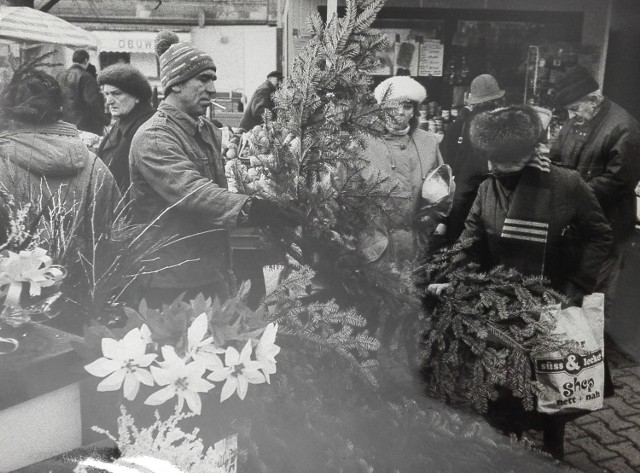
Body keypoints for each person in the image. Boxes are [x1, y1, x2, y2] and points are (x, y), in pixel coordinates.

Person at [432, 105, 613, 459]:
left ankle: (552, 445)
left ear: (526, 153)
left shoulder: (567, 184)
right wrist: (458, 279)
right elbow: (470, 242)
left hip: (553, 302)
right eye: (490, 160)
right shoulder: (488, 189)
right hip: (502, 306)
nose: (492, 168)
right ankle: (507, 448)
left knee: (553, 383)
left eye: (500, 162)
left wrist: (577, 284)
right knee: (505, 391)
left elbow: (600, 236)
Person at [129, 31, 299, 307]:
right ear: (175, 85)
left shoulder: (205, 129)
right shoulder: (155, 137)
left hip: (209, 266)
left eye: (213, 79)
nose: (211, 88)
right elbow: (191, 192)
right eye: (203, 79)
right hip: (170, 276)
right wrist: (251, 208)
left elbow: (228, 175)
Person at [549, 65, 640, 322]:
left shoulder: (625, 128)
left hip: (607, 228)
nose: (571, 115)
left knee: (595, 296)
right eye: (568, 110)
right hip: (574, 226)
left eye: (575, 108)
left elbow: (618, 181)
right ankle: (572, 346)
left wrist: (571, 196)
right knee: (570, 292)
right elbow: (556, 157)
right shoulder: (575, 121)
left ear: (593, 99)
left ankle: (595, 352)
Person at [0, 66, 121, 253]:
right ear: (61, 109)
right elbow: (117, 238)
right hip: (88, 277)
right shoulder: (96, 167)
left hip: (11, 280)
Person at [358, 75, 446, 266]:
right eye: (393, 106)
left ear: (414, 111)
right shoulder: (362, 142)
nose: (399, 112)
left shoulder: (428, 142)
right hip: (373, 252)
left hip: (414, 250)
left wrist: (427, 226)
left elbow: (442, 193)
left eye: (407, 107)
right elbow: (341, 197)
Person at [440, 74, 506, 243]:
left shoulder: (459, 125)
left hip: (462, 199)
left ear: (473, 99)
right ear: (498, 99)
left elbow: (444, 163)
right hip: (495, 199)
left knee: (457, 248)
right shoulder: (503, 124)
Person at [97, 64, 155, 193]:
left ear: (137, 96)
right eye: (107, 94)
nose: (109, 101)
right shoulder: (125, 120)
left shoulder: (146, 128)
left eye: (116, 94)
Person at [57, 49, 108, 135]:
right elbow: (92, 102)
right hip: (84, 123)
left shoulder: (60, 75)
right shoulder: (85, 76)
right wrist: (105, 120)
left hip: (65, 122)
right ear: (86, 61)